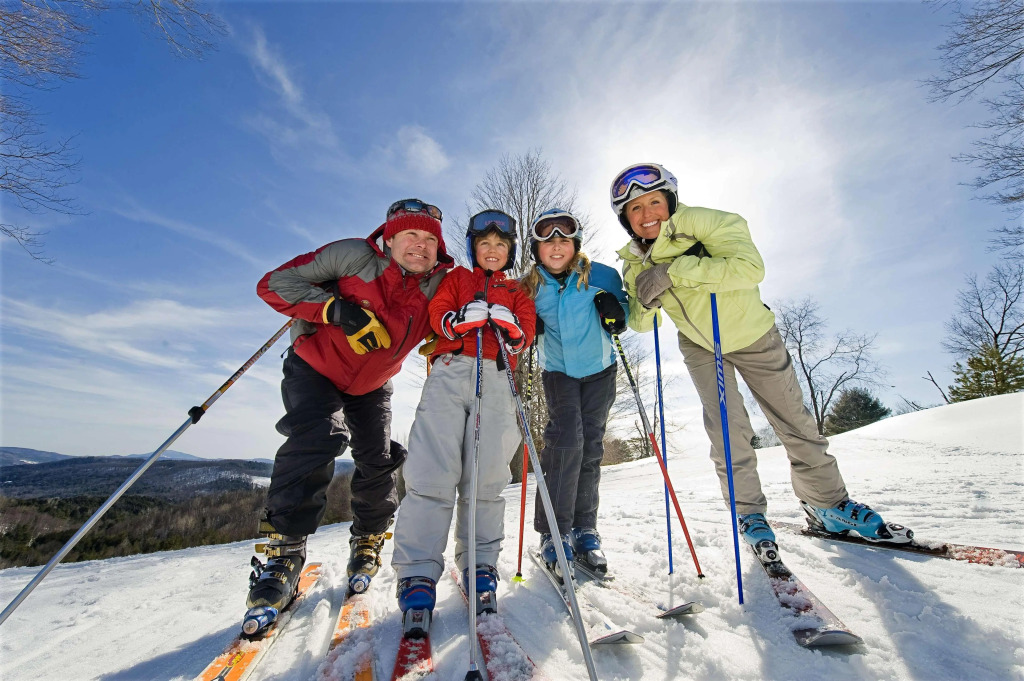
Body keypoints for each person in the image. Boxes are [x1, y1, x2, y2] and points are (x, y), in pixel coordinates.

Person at [609, 162, 911, 562]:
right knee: (727, 430)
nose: (647, 214)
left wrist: (675, 271)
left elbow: (750, 268)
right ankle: (749, 514)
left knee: (794, 421)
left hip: (752, 333)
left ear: (670, 200)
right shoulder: (633, 261)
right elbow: (642, 322)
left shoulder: (706, 223)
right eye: (635, 208)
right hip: (701, 346)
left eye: (654, 202)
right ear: (626, 219)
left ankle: (828, 505)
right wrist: (639, 305)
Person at [248, 199, 453, 612]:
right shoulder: (353, 255)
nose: (421, 245)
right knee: (318, 437)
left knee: (377, 457)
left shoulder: (438, 283)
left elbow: (466, 307)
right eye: (410, 234)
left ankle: (368, 539)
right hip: (315, 367)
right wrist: (335, 309)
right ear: (389, 239)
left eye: (430, 239)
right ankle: (284, 552)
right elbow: (274, 284)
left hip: (373, 383)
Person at [390, 209, 536, 636]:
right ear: (474, 248)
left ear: (510, 252)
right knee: (432, 472)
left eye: (500, 245)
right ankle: (418, 572)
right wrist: (455, 322)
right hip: (451, 370)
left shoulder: (517, 290)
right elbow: (438, 309)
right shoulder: (457, 279)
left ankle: (480, 563)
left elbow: (527, 329)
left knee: (486, 477)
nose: (492, 250)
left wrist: (512, 329)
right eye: (484, 244)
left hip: (497, 376)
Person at [518, 209, 628, 577]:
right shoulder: (529, 287)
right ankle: (553, 530)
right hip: (559, 372)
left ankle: (584, 529)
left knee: (591, 447)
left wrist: (617, 312)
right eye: (547, 241)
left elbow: (625, 311)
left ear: (575, 245)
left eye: (564, 240)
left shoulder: (602, 276)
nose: (556, 246)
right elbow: (514, 317)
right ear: (536, 250)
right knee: (566, 442)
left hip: (601, 371)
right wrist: (525, 325)